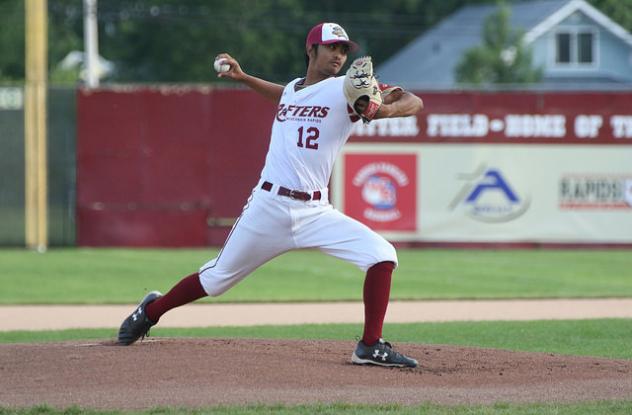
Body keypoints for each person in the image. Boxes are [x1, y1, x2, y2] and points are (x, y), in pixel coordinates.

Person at [118, 22, 423, 368]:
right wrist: (245, 78)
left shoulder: (347, 89)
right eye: (332, 48)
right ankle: (151, 310)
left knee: (382, 255)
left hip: (315, 212)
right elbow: (286, 94)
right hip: (268, 207)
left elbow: (413, 101)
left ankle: (370, 346)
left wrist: (384, 109)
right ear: (311, 50)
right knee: (216, 280)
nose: (339, 55)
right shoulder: (294, 89)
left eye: (343, 50)